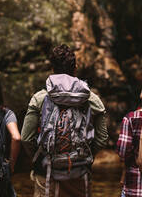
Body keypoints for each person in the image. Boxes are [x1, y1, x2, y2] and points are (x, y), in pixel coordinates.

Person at [21, 44, 108, 197]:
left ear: (52, 69)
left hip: (46, 173)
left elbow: (26, 138)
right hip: (80, 173)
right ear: (75, 69)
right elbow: (102, 139)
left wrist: (40, 158)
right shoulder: (92, 99)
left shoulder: (39, 98)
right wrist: (85, 157)